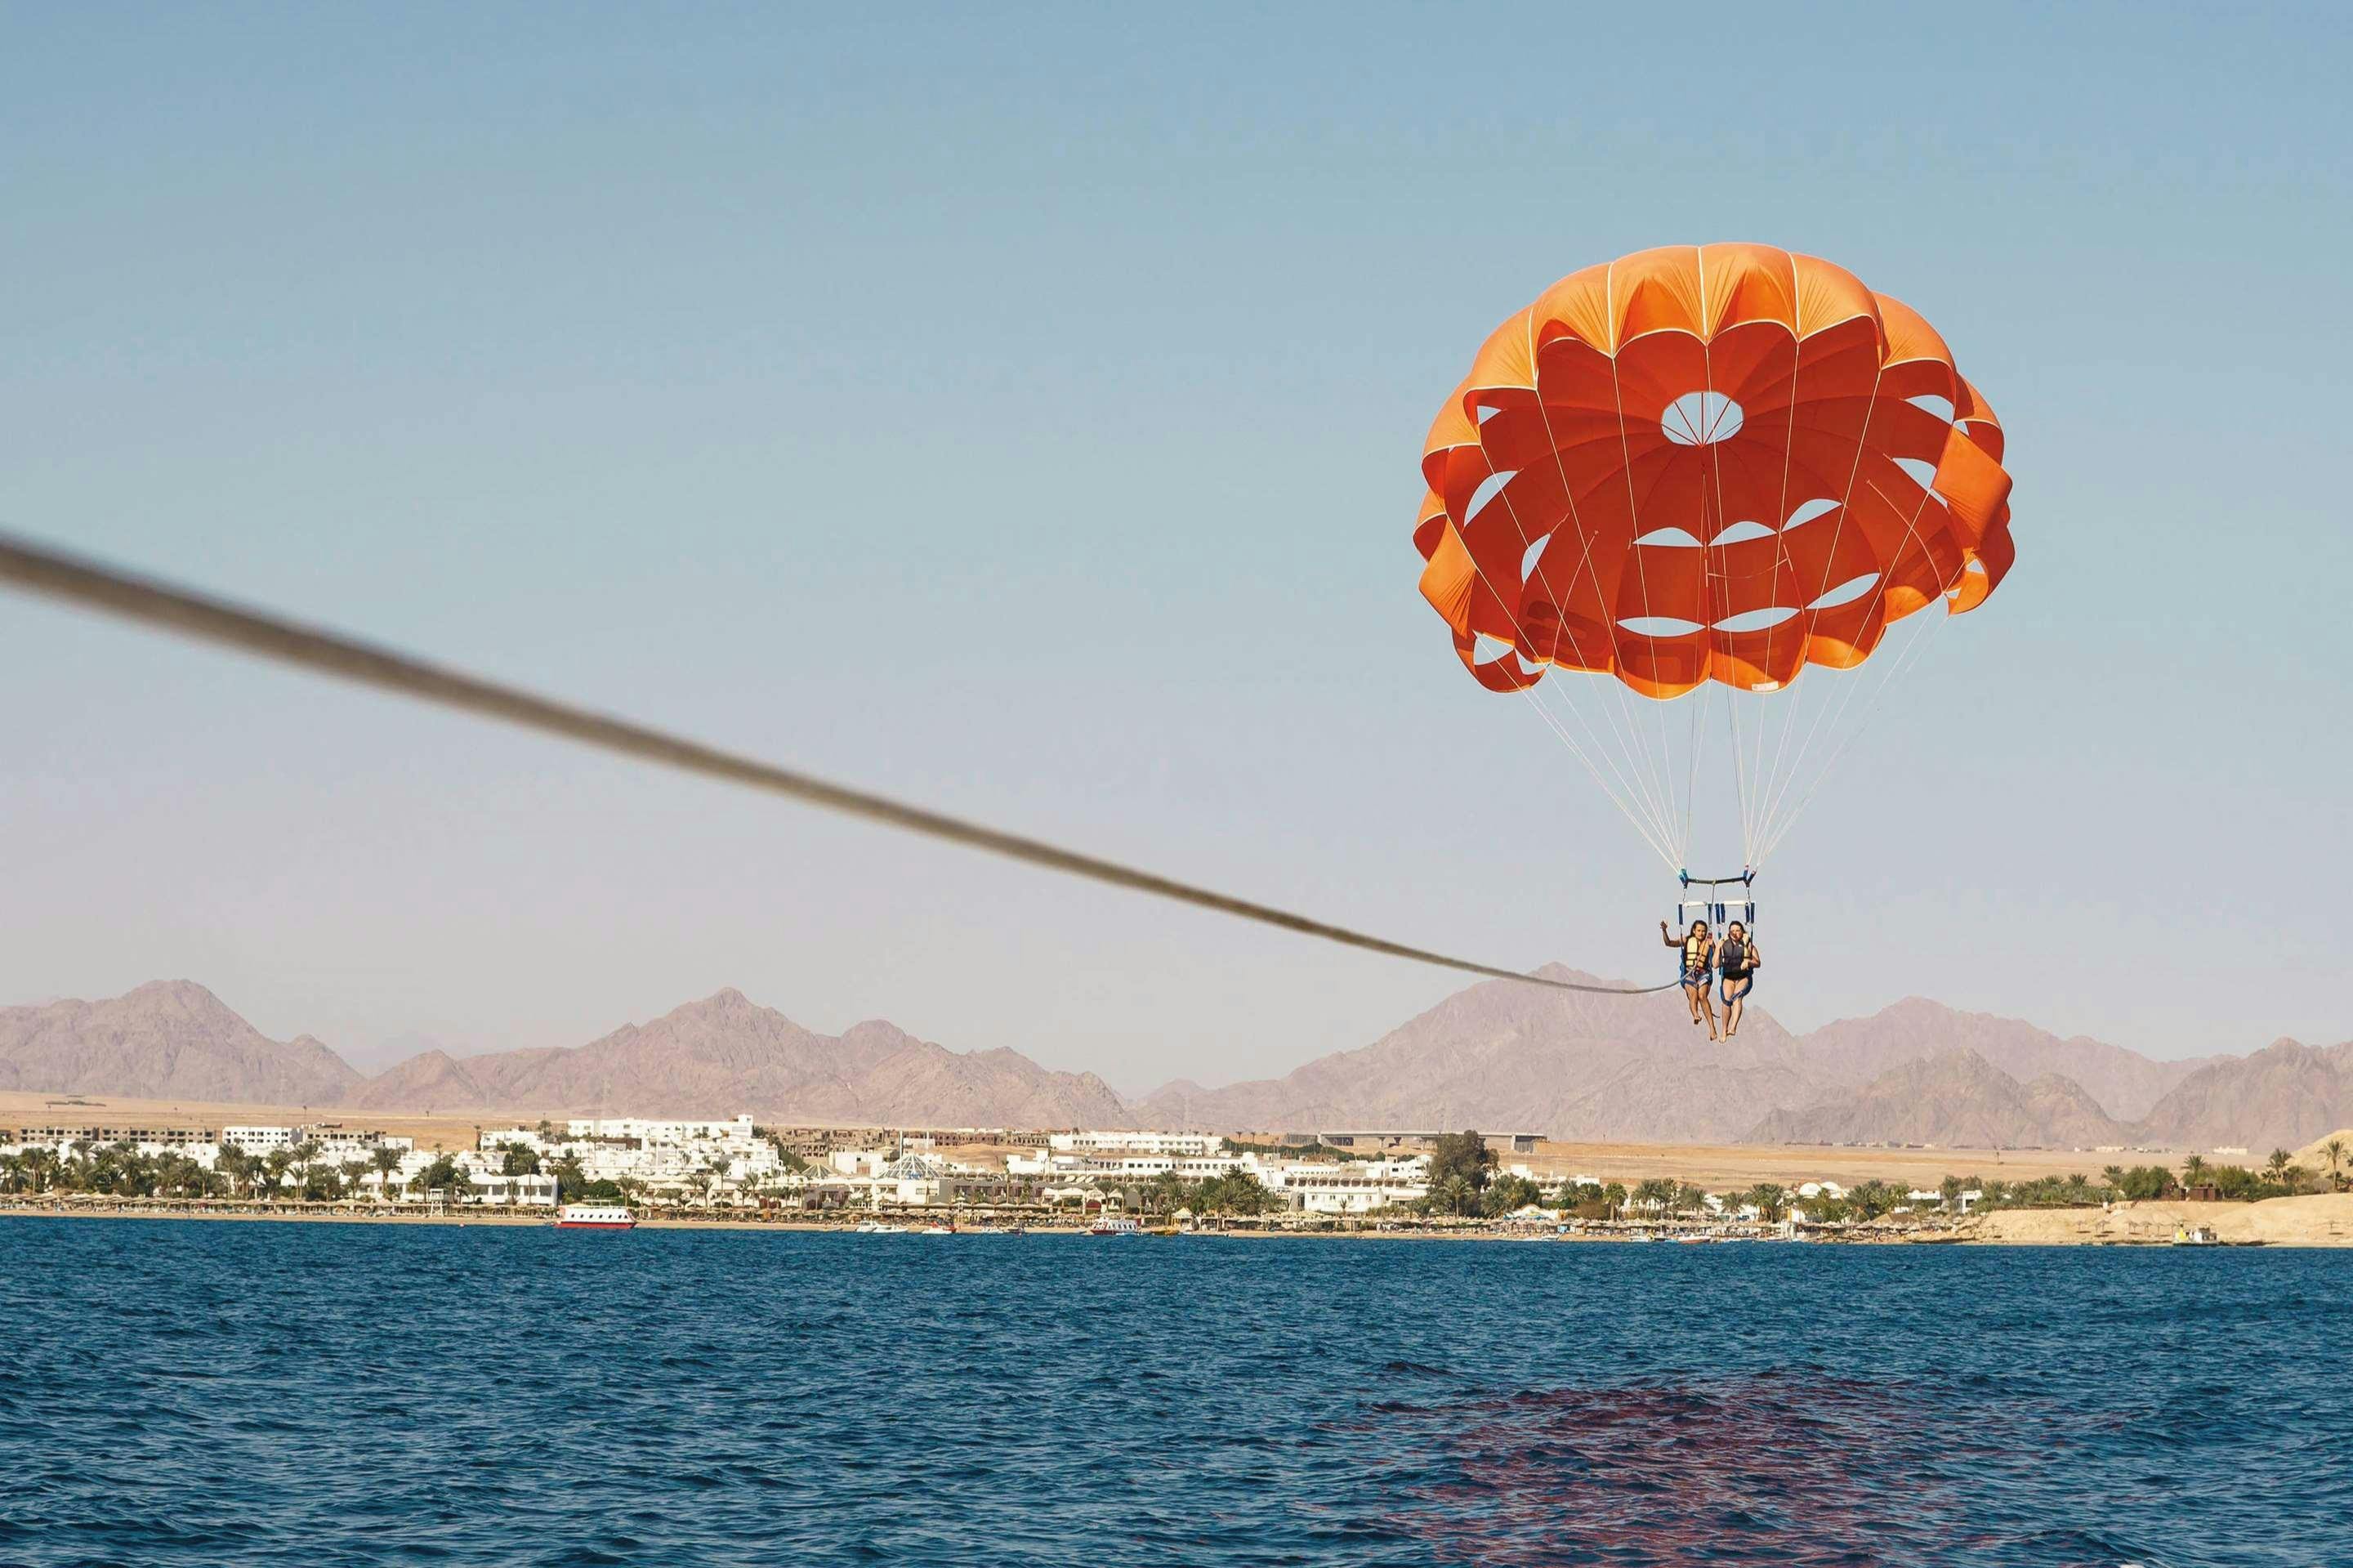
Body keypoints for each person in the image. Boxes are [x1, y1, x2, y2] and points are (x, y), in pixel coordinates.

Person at [1661, 918, 1718, 1040]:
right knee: (1693, 994)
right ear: (1694, 930)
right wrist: (1665, 930)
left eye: (1703, 931)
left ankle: (1712, 1028)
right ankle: (1696, 1015)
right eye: (1699, 931)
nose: (1701, 933)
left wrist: (1714, 946)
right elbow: (1669, 943)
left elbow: (1716, 960)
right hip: (1689, 973)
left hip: (1704, 973)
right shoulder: (1686, 940)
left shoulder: (1709, 943)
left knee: (1702, 996)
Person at [1717, 921, 1761, 1039]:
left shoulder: (1749, 946)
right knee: (1726, 1001)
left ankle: (1733, 1027)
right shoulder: (1723, 945)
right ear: (1729, 933)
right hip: (1728, 977)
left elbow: (1758, 962)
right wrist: (1717, 948)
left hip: (1743, 977)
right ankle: (1724, 1029)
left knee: (1737, 998)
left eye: (1738, 930)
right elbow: (1715, 964)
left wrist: (1749, 962)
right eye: (1732, 931)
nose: (1735, 933)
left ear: (1742, 932)